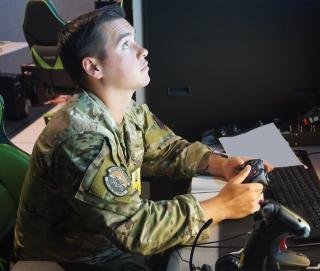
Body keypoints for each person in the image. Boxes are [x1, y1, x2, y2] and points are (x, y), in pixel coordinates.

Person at [14, 4, 273, 271]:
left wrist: (220, 163)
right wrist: (221, 206)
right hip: (71, 259)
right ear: (93, 67)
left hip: (110, 245)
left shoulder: (127, 109)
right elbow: (135, 228)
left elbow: (167, 149)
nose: (143, 51)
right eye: (127, 45)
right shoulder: (80, 138)